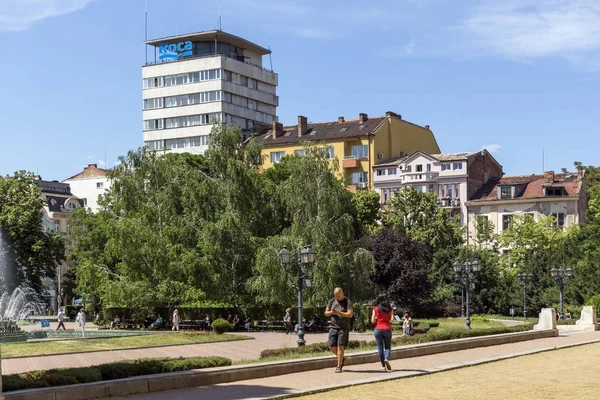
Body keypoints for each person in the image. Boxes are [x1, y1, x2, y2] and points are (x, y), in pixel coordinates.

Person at [324, 287, 353, 373]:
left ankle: (339, 366)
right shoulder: (332, 301)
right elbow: (326, 313)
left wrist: (340, 313)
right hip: (333, 327)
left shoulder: (347, 302)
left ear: (342, 293)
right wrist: (331, 312)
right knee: (331, 346)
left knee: (340, 346)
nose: (337, 297)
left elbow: (350, 314)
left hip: (343, 328)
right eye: (336, 296)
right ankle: (341, 358)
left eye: (339, 296)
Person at [371, 295, 393, 372]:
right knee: (387, 347)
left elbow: (372, 321)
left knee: (380, 347)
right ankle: (386, 358)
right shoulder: (390, 309)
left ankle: (383, 366)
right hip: (387, 329)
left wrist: (377, 318)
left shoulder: (375, 308)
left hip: (378, 329)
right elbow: (392, 320)